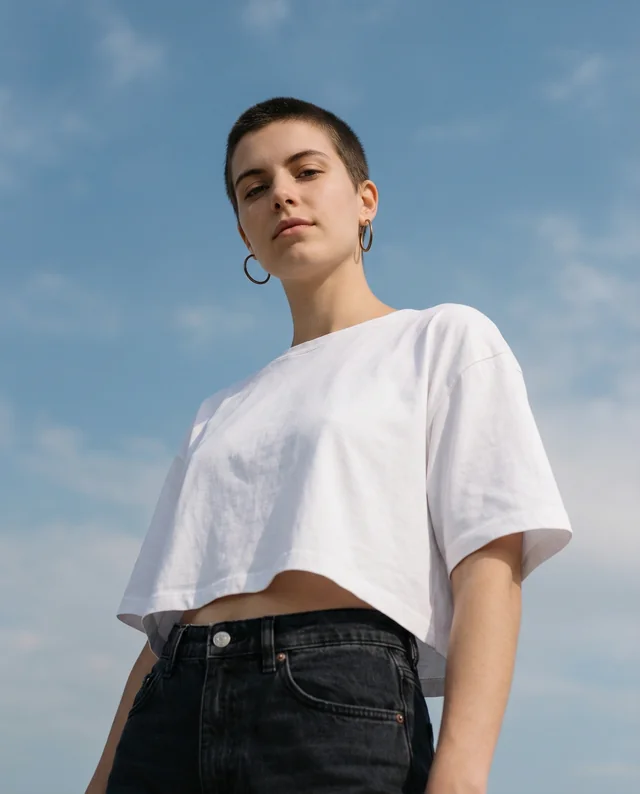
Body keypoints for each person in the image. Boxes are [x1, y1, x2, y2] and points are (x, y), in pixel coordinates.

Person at [86, 97, 573, 794]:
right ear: (245, 231)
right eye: (253, 188)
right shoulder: (219, 410)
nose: (280, 193)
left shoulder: (442, 340)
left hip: (333, 703)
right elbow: (170, 619)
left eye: (306, 171)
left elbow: (489, 565)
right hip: (173, 710)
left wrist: (462, 775)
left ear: (365, 199)